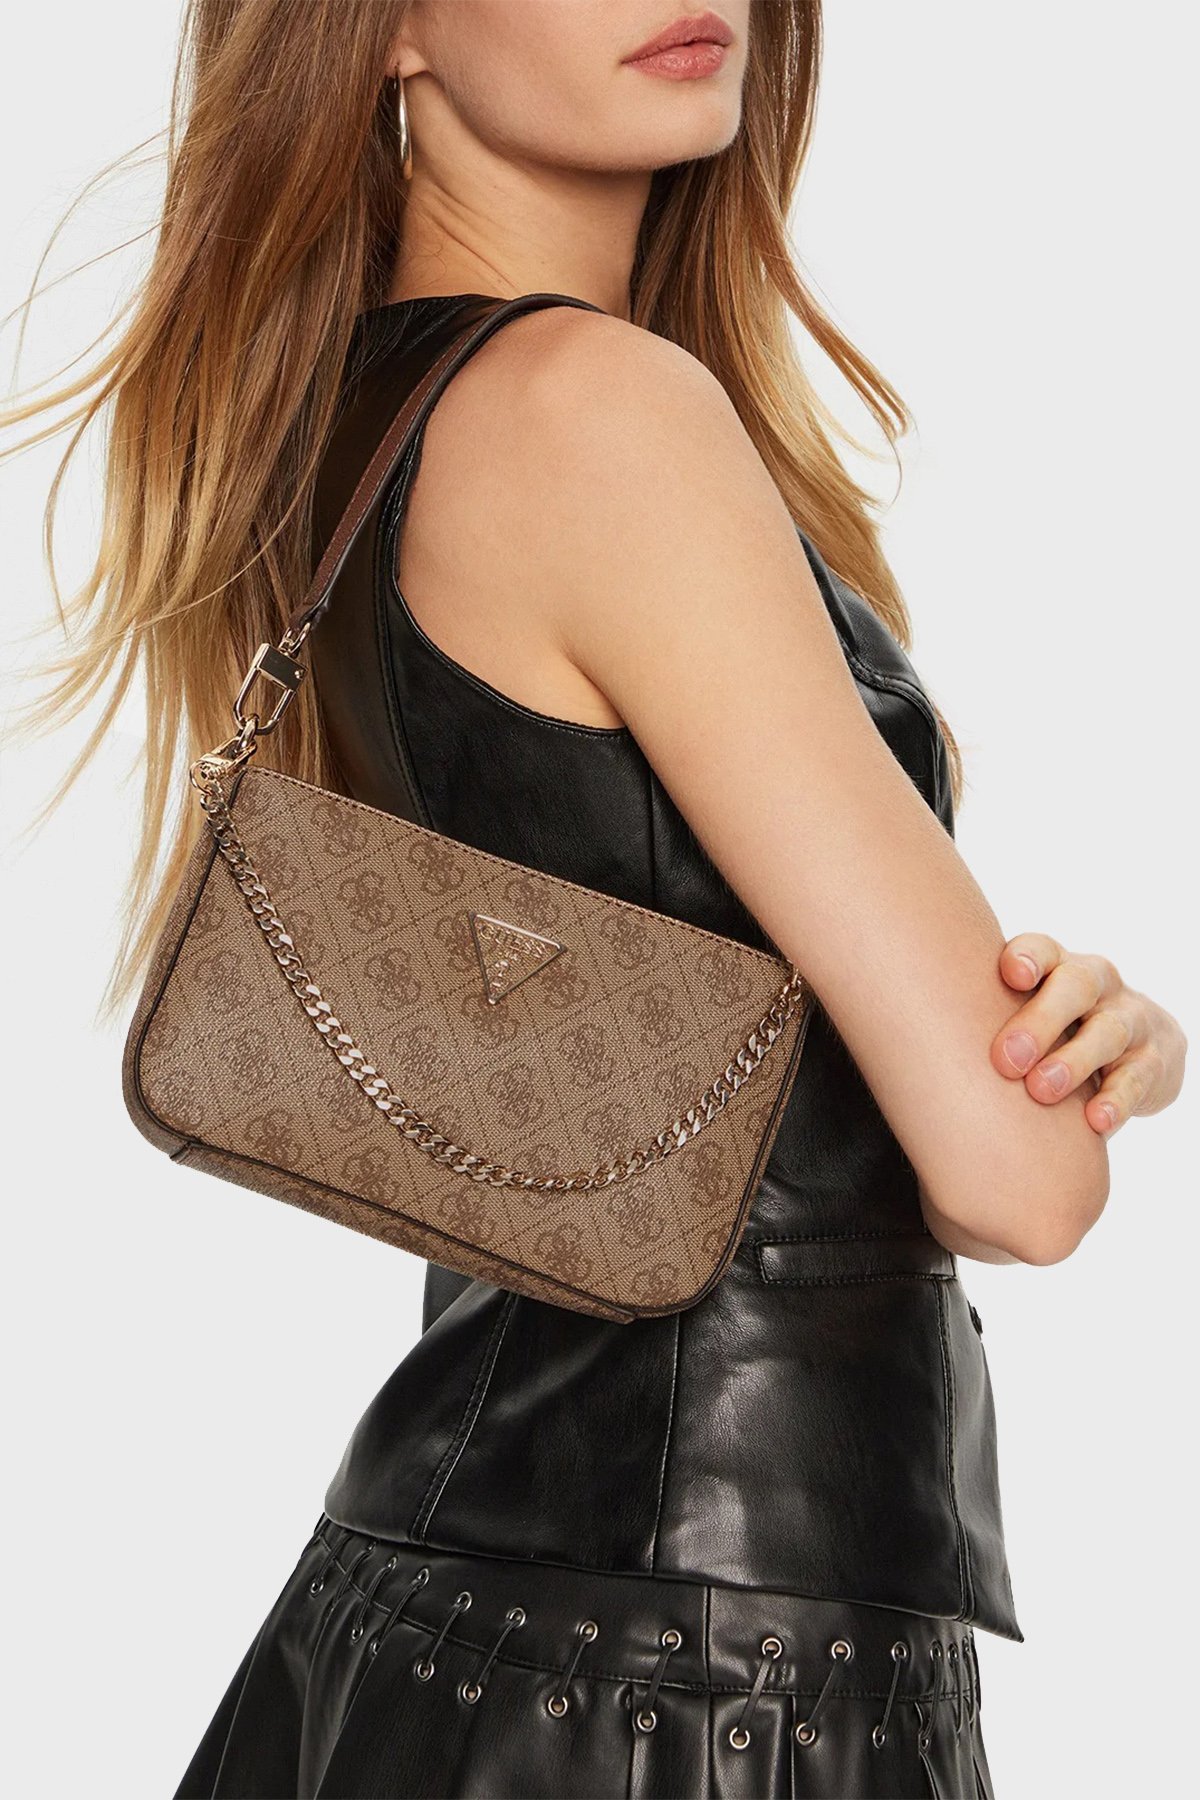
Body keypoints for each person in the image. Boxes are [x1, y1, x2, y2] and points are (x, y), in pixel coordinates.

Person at [7, 3, 1187, 1797]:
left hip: (462, 1615)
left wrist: (1079, 1034)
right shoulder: (597, 415)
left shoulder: (376, 414)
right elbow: (1019, 1183)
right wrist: (1069, 1086)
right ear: (383, 29)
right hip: (696, 1677)